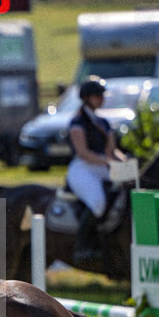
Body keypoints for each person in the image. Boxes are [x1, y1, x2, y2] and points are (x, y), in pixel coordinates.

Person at [66, 76, 126, 266]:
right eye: (96, 95)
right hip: (83, 168)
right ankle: (81, 247)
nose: (101, 98)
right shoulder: (77, 122)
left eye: (101, 95)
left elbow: (112, 151)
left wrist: (126, 163)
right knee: (98, 202)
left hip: (102, 167)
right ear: (86, 98)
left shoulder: (104, 123)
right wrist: (106, 161)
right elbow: (82, 152)